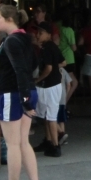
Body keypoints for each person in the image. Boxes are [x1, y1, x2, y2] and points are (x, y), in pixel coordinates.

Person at [0, 5, 45, 180]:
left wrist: (23, 99)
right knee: (23, 142)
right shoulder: (24, 39)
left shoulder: (11, 41)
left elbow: (21, 69)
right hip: (28, 91)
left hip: (13, 94)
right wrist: (27, 97)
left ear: (8, 19)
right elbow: (31, 66)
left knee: (12, 143)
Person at [32, 22, 65, 157]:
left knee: (50, 117)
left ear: (49, 35)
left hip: (49, 85)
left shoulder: (46, 49)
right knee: (46, 115)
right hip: (53, 84)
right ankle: (49, 141)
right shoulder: (51, 47)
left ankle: (56, 145)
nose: (37, 35)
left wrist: (38, 79)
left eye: (40, 33)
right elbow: (63, 62)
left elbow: (49, 68)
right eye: (37, 33)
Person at [54, 9, 79, 104]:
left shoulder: (57, 27)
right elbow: (74, 47)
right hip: (68, 59)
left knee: (63, 82)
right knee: (73, 83)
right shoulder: (69, 30)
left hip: (59, 57)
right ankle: (63, 103)